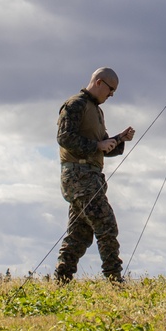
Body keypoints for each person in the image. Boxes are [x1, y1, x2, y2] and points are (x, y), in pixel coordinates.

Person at [55, 67, 135, 283]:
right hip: (79, 176)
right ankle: (114, 279)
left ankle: (61, 280)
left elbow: (102, 147)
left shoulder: (97, 111)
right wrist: (97, 145)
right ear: (99, 82)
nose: (111, 96)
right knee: (106, 225)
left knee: (80, 234)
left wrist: (119, 139)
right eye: (110, 90)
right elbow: (64, 138)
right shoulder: (75, 104)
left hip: (90, 177)